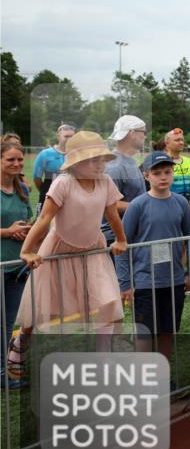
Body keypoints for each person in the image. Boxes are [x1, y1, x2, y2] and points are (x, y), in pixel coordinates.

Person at [7, 132, 127, 381]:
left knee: (109, 302)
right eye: (94, 160)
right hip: (59, 250)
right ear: (77, 162)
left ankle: (104, 361)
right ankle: (21, 342)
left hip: (92, 249)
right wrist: (28, 250)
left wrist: (121, 239)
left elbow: (112, 215)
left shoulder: (105, 181)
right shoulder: (64, 182)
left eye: (102, 159)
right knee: (43, 306)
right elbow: (45, 219)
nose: (100, 165)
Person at [120, 152, 190, 362]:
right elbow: (122, 245)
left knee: (167, 330)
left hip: (173, 279)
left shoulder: (181, 202)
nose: (163, 177)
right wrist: (125, 282)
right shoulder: (137, 205)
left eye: (167, 172)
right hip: (145, 281)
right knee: (145, 333)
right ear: (146, 176)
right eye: (157, 173)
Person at [1, 142, 32, 386]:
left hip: (17, 267)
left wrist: (26, 230)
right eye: (10, 159)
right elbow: (9, 229)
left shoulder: (22, 188)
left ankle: (3, 374)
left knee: (8, 323)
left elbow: (26, 220)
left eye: (19, 159)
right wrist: (7, 232)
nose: (17, 164)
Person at [32, 124, 75, 214]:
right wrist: (47, 191)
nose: (69, 139)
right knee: (44, 224)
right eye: (66, 136)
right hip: (48, 197)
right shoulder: (45, 154)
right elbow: (37, 178)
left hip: (71, 198)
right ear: (58, 137)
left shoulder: (77, 155)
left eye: (72, 136)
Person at [163, 128, 190, 213]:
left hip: (186, 209)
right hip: (167, 209)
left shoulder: (188, 161)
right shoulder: (162, 162)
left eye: (182, 140)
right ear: (167, 143)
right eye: (177, 140)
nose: (181, 142)